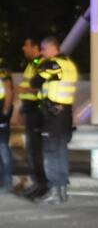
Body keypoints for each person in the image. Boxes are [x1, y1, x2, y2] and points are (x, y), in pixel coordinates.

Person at [32, 37, 78, 204]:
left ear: (52, 48)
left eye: (43, 50)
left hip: (53, 114)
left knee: (50, 153)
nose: (42, 53)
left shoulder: (53, 64)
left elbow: (35, 81)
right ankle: (63, 191)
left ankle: (54, 191)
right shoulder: (70, 64)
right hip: (66, 113)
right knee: (61, 151)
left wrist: (41, 65)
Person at [18, 38, 47, 198]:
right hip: (30, 110)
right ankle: (38, 184)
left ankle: (42, 186)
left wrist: (24, 88)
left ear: (35, 47)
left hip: (37, 111)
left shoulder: (41, 64)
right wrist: (22, 110)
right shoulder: (32, 65)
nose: (23, 48)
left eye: (26, 45)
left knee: (36, 151)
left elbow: (39, 88)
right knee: (31, 150)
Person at [0, 64, 13, 192]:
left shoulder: (2, 71)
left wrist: (5, 112)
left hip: (0, 114)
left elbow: (9, 91)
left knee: (3, 147)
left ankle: (7, 183)